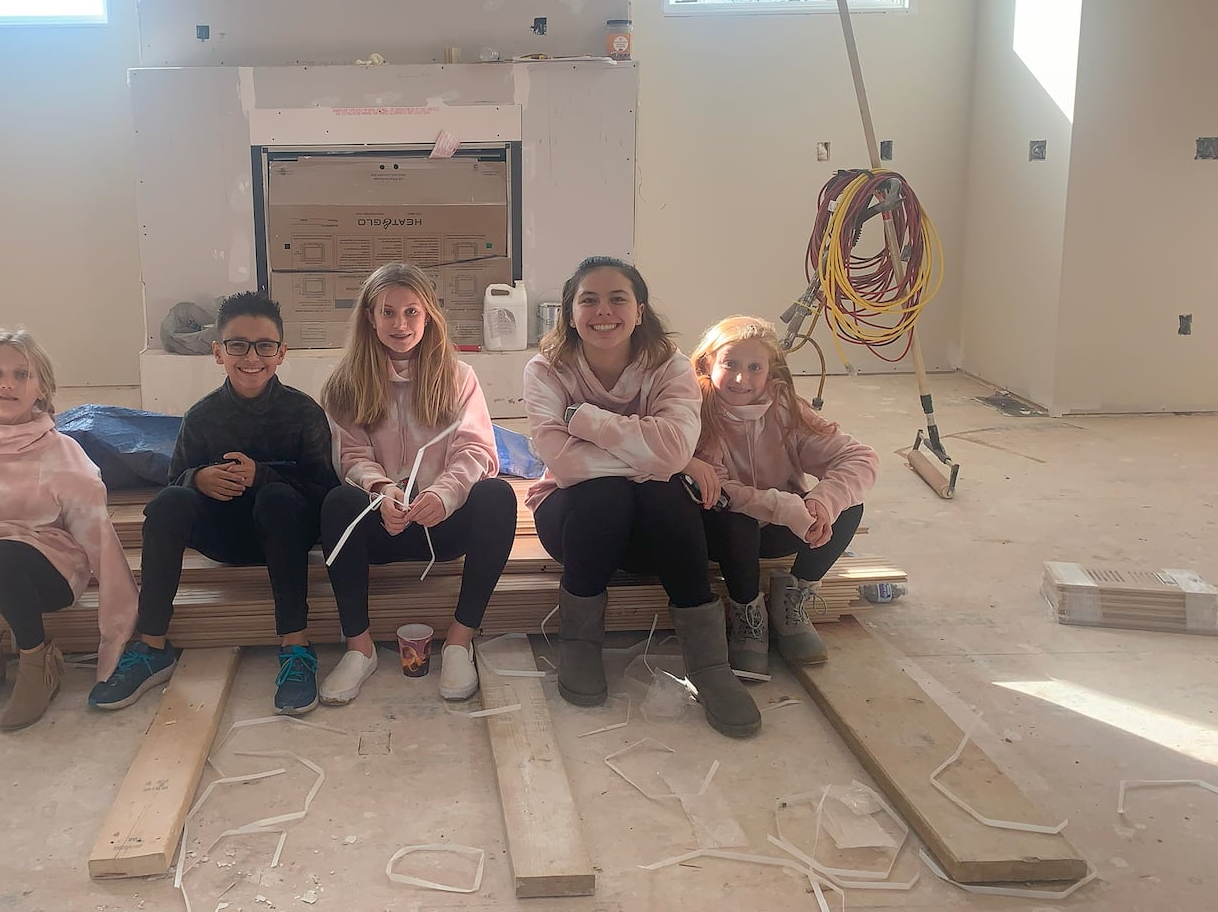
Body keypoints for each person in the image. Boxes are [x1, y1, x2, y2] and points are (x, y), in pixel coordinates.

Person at [523, 257, 759, 739]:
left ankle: (710, 665)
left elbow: (676, 449)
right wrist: (656, 460)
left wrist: (590, 422)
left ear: (640, 311)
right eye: (588, 299)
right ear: (569, 314)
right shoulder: (546, 370)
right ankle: (580, 642)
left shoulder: (669, 367)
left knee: (664, 494)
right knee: (606, 492)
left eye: (617, 299)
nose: (602, 311)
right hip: (575, 524)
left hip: (654, 531)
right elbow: (564, 463)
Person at [88, 292, 339, 716]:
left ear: (281, 353)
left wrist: (264, 475)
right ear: (218, 353)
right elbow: (173, 487)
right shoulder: (202, 417)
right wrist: (197, 477)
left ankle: (296, 647)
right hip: (222, 538)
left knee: (277, 497)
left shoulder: (304, 414)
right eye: (237, 344)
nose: (251, 356)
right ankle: (151, 646)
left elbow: (325, 491)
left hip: (285, 537)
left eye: (264, 345)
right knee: (168, 505)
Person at [0, 330, 136, 732]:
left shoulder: (61, 454)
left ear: (42, 389)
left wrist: (117, 617)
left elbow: (99, 539)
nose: (7, 383)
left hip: (52, 576)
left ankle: (38, 663)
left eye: (21, 374)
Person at [319, 262, 517, 705]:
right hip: (382, 526)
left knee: (497, 496)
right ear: (370, 317)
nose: (400, 324)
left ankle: (459, 641)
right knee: (336, 503)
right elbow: (350, 457)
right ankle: (360, 648)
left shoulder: (459, 378)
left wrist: (443, 496)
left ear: (428, 316)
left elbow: (477, 451)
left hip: (441, 525)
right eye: (388, 312)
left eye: (412, 312)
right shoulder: (344, 384)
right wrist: (381, 492)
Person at [687, 315, 878, 676]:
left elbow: (859, 457)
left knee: (850, 504)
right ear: (708, 362)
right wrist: (783, 506)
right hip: (724, 533)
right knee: (731, 516)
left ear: (771, 372)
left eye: (754, 367)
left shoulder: (787, 408)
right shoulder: (698, 410)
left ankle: (795, 595)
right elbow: (718, 485)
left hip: (786, 529)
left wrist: (821, 502)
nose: (741, 378)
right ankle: (747, 612)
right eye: (730, 364)